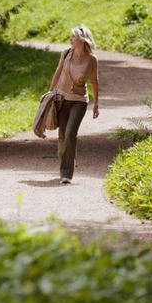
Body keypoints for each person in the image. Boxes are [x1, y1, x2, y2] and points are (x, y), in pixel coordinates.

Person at [48, 25, 99, 184]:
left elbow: (94, 81)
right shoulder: (66, 53)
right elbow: (57, 72)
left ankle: (66, 173)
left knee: (70, 133)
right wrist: (50, 93)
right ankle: (67, 159)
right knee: (62, 136)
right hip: (62, 99)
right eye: (70, 37)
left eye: (73, 37)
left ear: (81, 39)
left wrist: (96, 103)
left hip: (79, 101)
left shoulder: (91, 59)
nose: (70, 39)